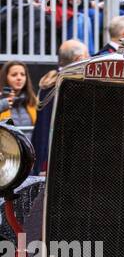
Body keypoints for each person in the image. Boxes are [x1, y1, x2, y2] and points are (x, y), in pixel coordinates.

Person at [33, 39, 88, 170]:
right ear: (79, 58)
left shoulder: (50, 82)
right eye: (88, 55)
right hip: (60, 159)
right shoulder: (68, 84)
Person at [0, 60, 38, 128]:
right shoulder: (2, 102)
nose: (19, 78)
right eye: (14, 75)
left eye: (23, 74)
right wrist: (2, 105)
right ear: (5, 78)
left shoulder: (33, 101)